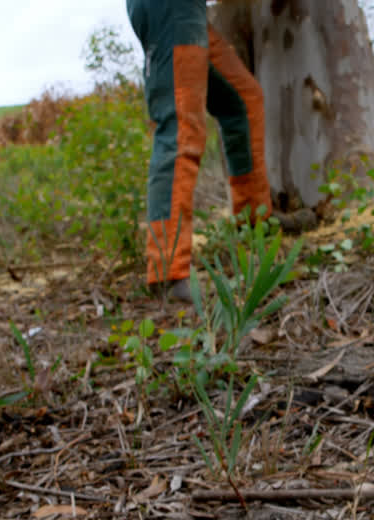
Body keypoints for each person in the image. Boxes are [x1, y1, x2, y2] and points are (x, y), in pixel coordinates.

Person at [126, 0, 272, 302]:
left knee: (242, 100)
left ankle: (253, 222)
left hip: (188, 12)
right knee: (181, 127)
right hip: (170, 10)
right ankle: (167, 270)